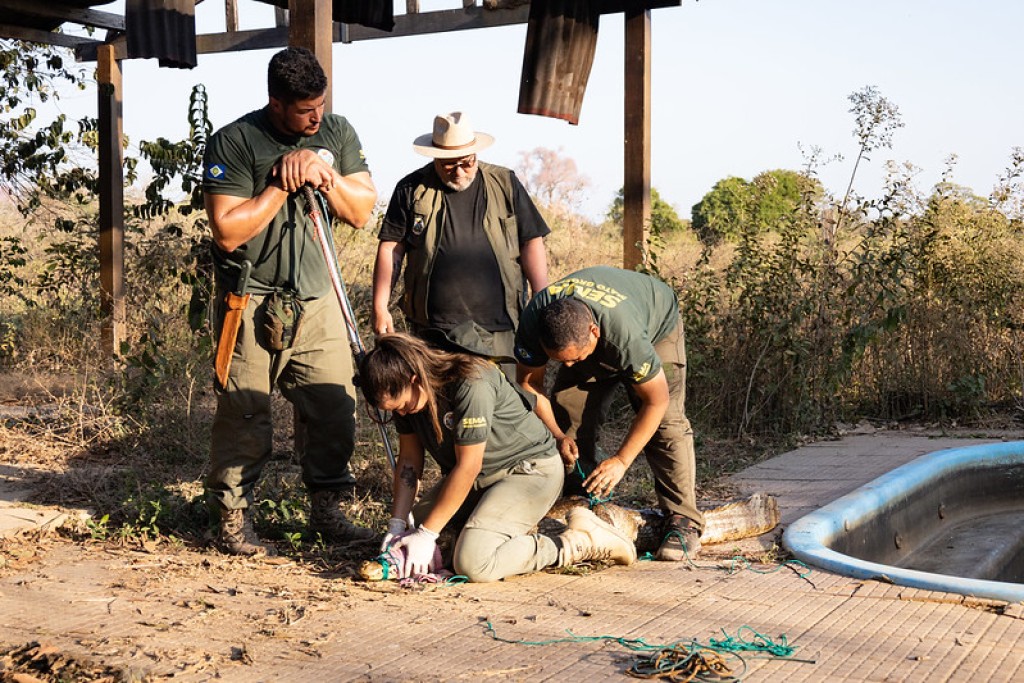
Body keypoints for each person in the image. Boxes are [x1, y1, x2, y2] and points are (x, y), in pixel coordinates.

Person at [201, 46, 377, 555]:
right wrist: (282, 182)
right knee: (245, 411)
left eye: (320, 105)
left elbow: (361, 210)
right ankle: (233, 519)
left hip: (318, 299)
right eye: (304, 110)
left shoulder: (336, 132)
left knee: (334, 406)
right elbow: (227, 232)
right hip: (250, 299)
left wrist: (325, 173)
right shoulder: (235, 140)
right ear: (276, 102)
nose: (315, 118)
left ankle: (328, 509)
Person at [359, 333, 636, 582]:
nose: (402, 413)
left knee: (473, 562)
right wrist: (398, 524)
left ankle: (574, 542)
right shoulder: (405, 397)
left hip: (529, 471)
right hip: (482, 478)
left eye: (403, 406)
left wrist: (427, 534)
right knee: (416, 527)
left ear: (414, 379)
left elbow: (468, 466)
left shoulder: (471, 382)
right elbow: (409, 462)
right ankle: (498, 533)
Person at [514, 266, 705, 561]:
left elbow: (656, 401)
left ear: (594, 333)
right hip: (591, 330)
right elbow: (529, 383)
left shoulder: (627, 338)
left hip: (656, 324)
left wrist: (621, 461)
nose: (568, 366)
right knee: (568, 409)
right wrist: (558, 435)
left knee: (666, 425)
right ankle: (579, 499)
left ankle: (683, 520)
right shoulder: (534, 322)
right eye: (560, 361)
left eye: (574, 358)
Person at [370, 111, 550, 375]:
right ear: (435, 157)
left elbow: (531, 240)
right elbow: (391, 249)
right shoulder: (411, 188)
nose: (459, 171)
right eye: (449, 164)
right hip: (433, 333)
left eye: (467, 162)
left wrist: (540, 299)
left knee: (503, 397)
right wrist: (379, 306)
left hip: (499, 330)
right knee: (436, 399)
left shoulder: (505, 183)